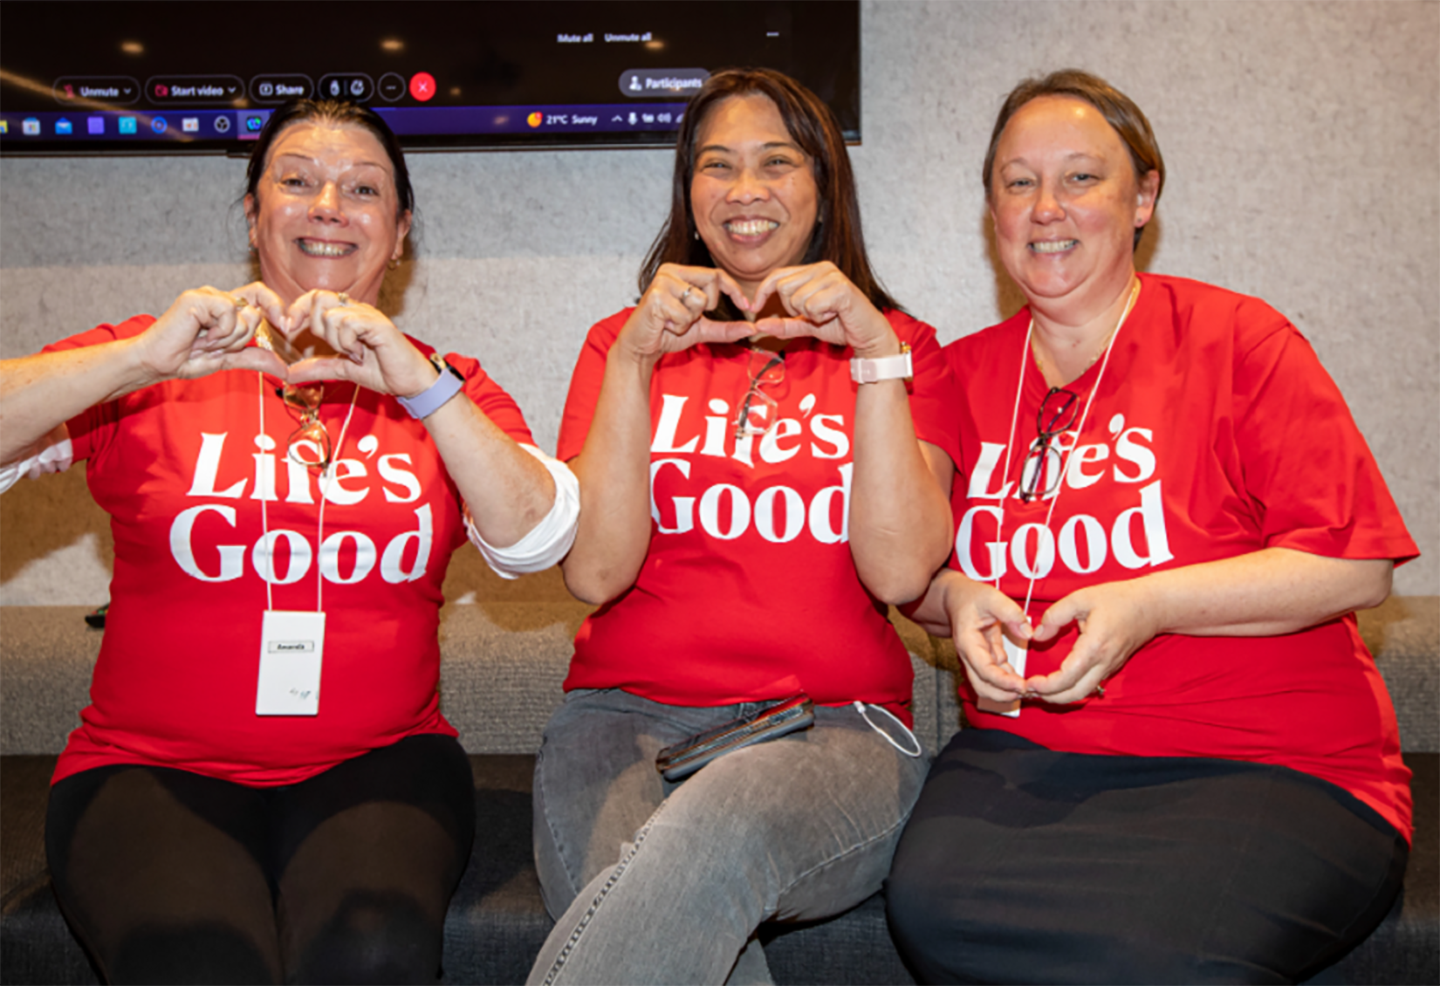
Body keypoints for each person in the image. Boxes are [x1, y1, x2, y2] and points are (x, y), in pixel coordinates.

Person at [0, 99, 579, 986]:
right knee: (195, 962)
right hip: (150, 773)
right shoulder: (155, 363)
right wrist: (141, 360)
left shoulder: (442, 389)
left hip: (380, 769)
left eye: (362, 188)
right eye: (297, 181)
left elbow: (539, 539)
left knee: (372, 954)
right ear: (252, 210)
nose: (327, 205)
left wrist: (421, 386)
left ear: (399, 230)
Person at [886, 69, 1417, 985]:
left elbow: (1354, 567)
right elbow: (912, 576)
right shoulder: (958, 378)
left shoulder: (1240, 340)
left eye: (1082, 178)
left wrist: (1148, 604)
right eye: (1019, 183)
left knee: (1155, 957)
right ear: (993, 211)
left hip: (1268, 763)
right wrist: (958, 593)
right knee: (933, 916)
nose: (1047, 207)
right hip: (1027, 756)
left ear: (1143, 199)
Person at [526, 68, 958, 986]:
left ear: (822, 187)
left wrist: (873, 355)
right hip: (621, 726)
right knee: (672, 918)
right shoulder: (621, 341)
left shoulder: (901, 345)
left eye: (776, 162)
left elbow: (901, 570)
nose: (744, 190)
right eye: (716, 166)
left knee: (708, 834)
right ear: (688, 193)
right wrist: (639, 359)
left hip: (835, 735)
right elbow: (595, 574)